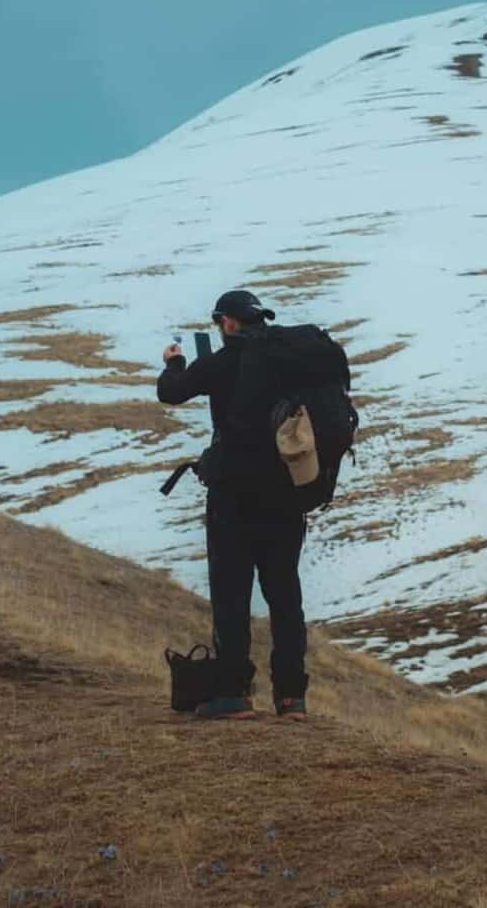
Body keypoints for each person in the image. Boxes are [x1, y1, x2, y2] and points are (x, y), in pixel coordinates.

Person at [156, 289, 309, 721]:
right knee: (285, 596)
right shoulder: (289, 359)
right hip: (285, 497)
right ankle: (291, 698)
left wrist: (174, 363)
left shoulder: (226, 360)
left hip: (235, 498)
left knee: (231, 595)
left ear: (228, 323)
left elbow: (172, 392)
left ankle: (234, 693)